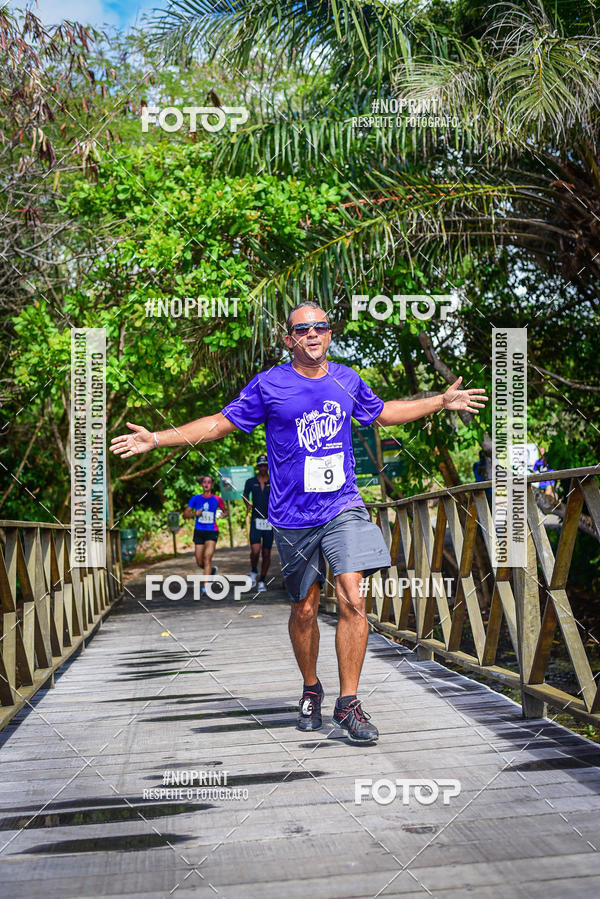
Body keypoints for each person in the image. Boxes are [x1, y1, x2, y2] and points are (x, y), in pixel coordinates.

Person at [110, 302, 488, 744]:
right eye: (301, 329)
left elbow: (384, 412)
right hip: (291, 517)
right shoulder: (270, 385)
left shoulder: (346, 380)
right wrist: (157, 438)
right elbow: (218, 424)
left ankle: (348, 704)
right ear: (290, 339)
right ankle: (311, 686)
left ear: (330, 334)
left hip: (343, 506)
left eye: (320, 327)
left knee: (353, 597)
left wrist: (441, 402)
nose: (312, 334)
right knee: (304, 608)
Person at [183, 475, 227, 590]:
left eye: (209, 482)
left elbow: (225, 511)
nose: (206, 484)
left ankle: (205, 586)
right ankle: (212, 570)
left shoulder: (217, 499)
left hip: (212, 531)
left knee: (207, 558)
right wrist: (194, 514)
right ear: (202, 485)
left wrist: (223, 514)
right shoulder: (195, 498)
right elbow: (185, 514)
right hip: (199, 531)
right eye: (204, 482)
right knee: (199, 562)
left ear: (212, 485)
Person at [243, 454, 272, 592]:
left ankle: (262, 580)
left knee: (266, 553)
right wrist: (247, 504)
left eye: (265, 465)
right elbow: (245, 495)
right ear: (257, 467)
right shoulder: (250, 481)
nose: (263, 468)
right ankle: (254, 570)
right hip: (256, 520)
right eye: (260, 465)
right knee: (255, 551)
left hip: (269, 521)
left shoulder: (273, 480)